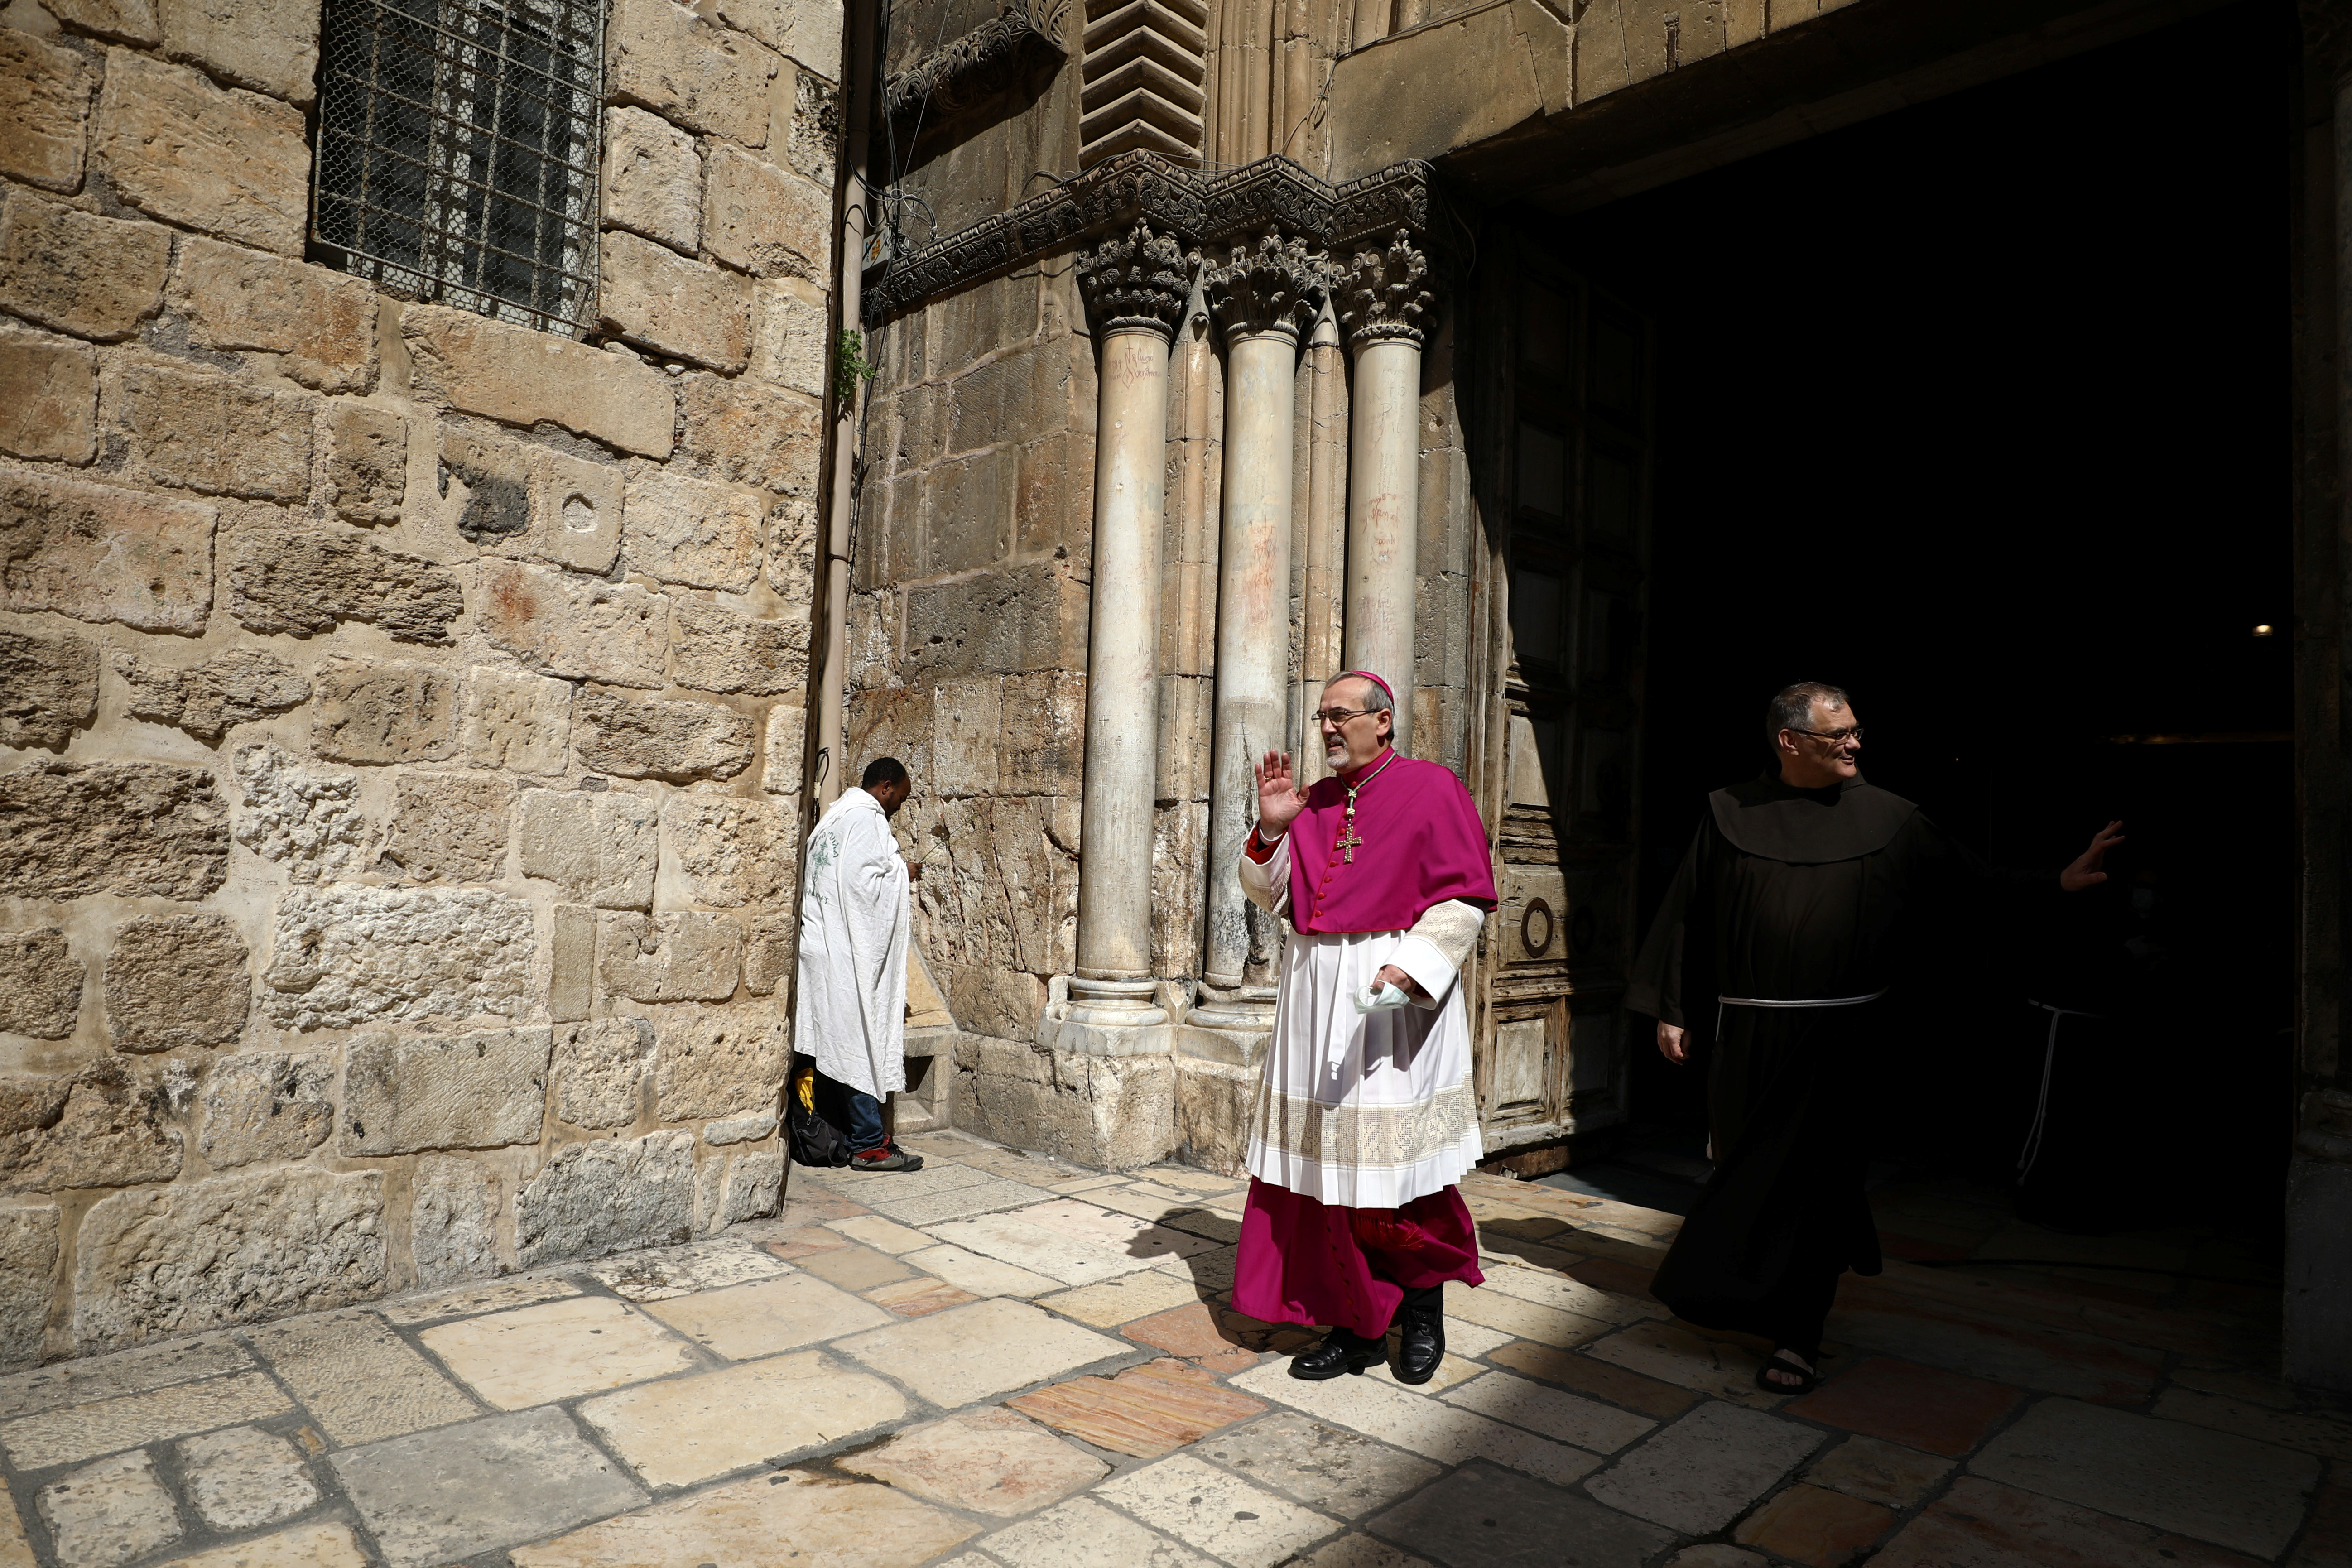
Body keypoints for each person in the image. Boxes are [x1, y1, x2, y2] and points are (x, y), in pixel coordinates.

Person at [1627, 682, 2121, 1392]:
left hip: (1841, 1038)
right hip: (1748, 1031)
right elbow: (1687, 916)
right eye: (1839, 734)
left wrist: (2060, 883)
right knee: (1743, 1170)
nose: (1856, 743)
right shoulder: (1727, 811)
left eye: (1858, 730)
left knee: (1819, 1183)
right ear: (1789, 741)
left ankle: (1799, 1334)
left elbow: (1973, 884)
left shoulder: (1893, 818)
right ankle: (1750, 1297)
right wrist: (1672, 1007)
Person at [1229, 671, 1499, 1383]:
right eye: (1320, 717)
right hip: (1314, 999)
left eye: (1339, 715)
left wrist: (1415, 965)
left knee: (1396, 1172)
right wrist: (1272, 829)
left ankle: (1420, 1306)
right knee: (1326, 1173)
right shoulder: (1311, 801)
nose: (1325, 728)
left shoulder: (1433, 787)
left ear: (1383, 721)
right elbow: (1270, 895)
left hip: (1394, 1006)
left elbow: (1465, 897)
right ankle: (1352, 1323)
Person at [796, 757, 926, 1173]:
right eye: (900, 798)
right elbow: (859, 885)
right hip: (843, 951)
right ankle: (869, 1145)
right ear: (885, 788)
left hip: (820, 947)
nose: (899, 808)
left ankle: (844, 1134)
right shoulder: (867, 821)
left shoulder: (833, 819)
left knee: (834, 1042)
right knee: (858, 1043)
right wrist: (902, 873)